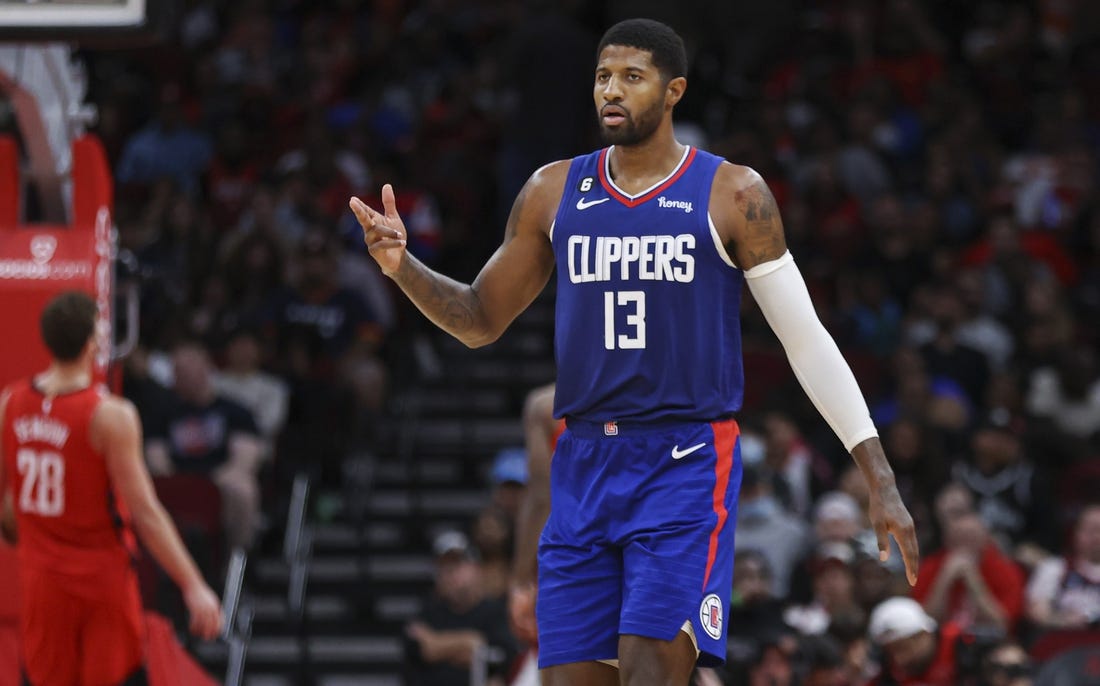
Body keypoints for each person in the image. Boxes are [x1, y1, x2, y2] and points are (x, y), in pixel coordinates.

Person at [351, 18, 919, 683]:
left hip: (683, 460)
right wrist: (401, 268)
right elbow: (479, 319)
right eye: (601, 77)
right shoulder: (553, 191)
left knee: (650, 670)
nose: (610, 91)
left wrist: (878, 475)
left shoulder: (732, 193)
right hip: (586, 460)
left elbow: (806, 340)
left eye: (631, 77)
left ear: (674, 90)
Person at [0, 291, 222, 686]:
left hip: (42, 586)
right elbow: (145, 512)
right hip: (101, 585)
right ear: (92, 343)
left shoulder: (11, 403)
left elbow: (8, 507)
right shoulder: (109, 415)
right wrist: (193, 585)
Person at [865, 596, 961, 686]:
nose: (899, 659)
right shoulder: (887, 675)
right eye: (890, 654)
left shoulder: (962, 646)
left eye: (902, 648)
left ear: (923, 634)